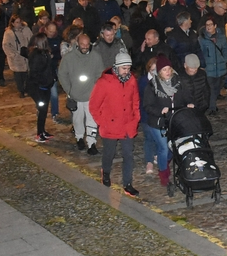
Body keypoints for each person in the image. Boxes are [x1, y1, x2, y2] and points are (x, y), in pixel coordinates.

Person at [90, 52, 141, 197]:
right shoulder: (104, 82)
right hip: (110, 126)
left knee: (128, 155)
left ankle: (128, 183)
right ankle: (105, 172)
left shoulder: (131, 80)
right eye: (124, 68)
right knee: (109, 153)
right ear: (117, 67)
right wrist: (103, 122)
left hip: (128, 124)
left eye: (128, 68)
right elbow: (94, 105)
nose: (126, 71)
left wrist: (135, 118)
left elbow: (135, 101)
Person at [140, 54, 193, 187]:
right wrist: (160, 111)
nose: (168, 72)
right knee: (163, 147)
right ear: (159, 72)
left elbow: (188, 97)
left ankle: (165, 163)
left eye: (169, 69)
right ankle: (163, 174)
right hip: (158, 123)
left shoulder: (179, 82)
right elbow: (147, 105)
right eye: (164, 69)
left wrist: (190, 104)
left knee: (173, 147)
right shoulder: (152, 86)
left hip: (175, 120)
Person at [58, 34, 105, 155]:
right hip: (76, 96)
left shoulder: (96, 57)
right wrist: (69, 90)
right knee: (78, 119)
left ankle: (91, 143)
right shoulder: (69, 58)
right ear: (78, 44)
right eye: (83, 44)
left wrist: (95, 88)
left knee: (92, 120)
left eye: (87, 45)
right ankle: (79, 138)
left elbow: (100, 74)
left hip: (91, 96)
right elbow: (62, 74)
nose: (85, 47)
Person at [26, 33, 58, 142]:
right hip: (39, 88)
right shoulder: (36, 55)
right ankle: (39, 134)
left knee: (44, 111)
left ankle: (42, 131)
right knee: (41, 110)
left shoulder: (45, 54)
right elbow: (35, 73)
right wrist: (42, 84)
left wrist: (52, 78)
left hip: (45, 86)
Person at [198, 17, 227, 116]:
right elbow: (201, 52)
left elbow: (225, 49)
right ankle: (212, 107)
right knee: (211, 88)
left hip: (220, 67)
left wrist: (224, 59)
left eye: (210, 24)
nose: (208, 27)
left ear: (215, 26)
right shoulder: (202, 39)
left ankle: (212, 105)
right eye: (207, 25)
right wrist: (204, 63)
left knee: (217, 87)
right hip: (209, 68)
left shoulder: (222, 37)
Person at [4, 14, 33, 97]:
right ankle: (21, 90)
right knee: (18, 75)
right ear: (12, 23)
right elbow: (6, 45)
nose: (19, 24)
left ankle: (27, 89)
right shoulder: (9, 33)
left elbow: (32, 39)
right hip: (16, 57)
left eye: (20, 22)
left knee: (27, 73)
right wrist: (12, 55)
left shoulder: (26, 30)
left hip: (26, 55)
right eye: (17, 22)